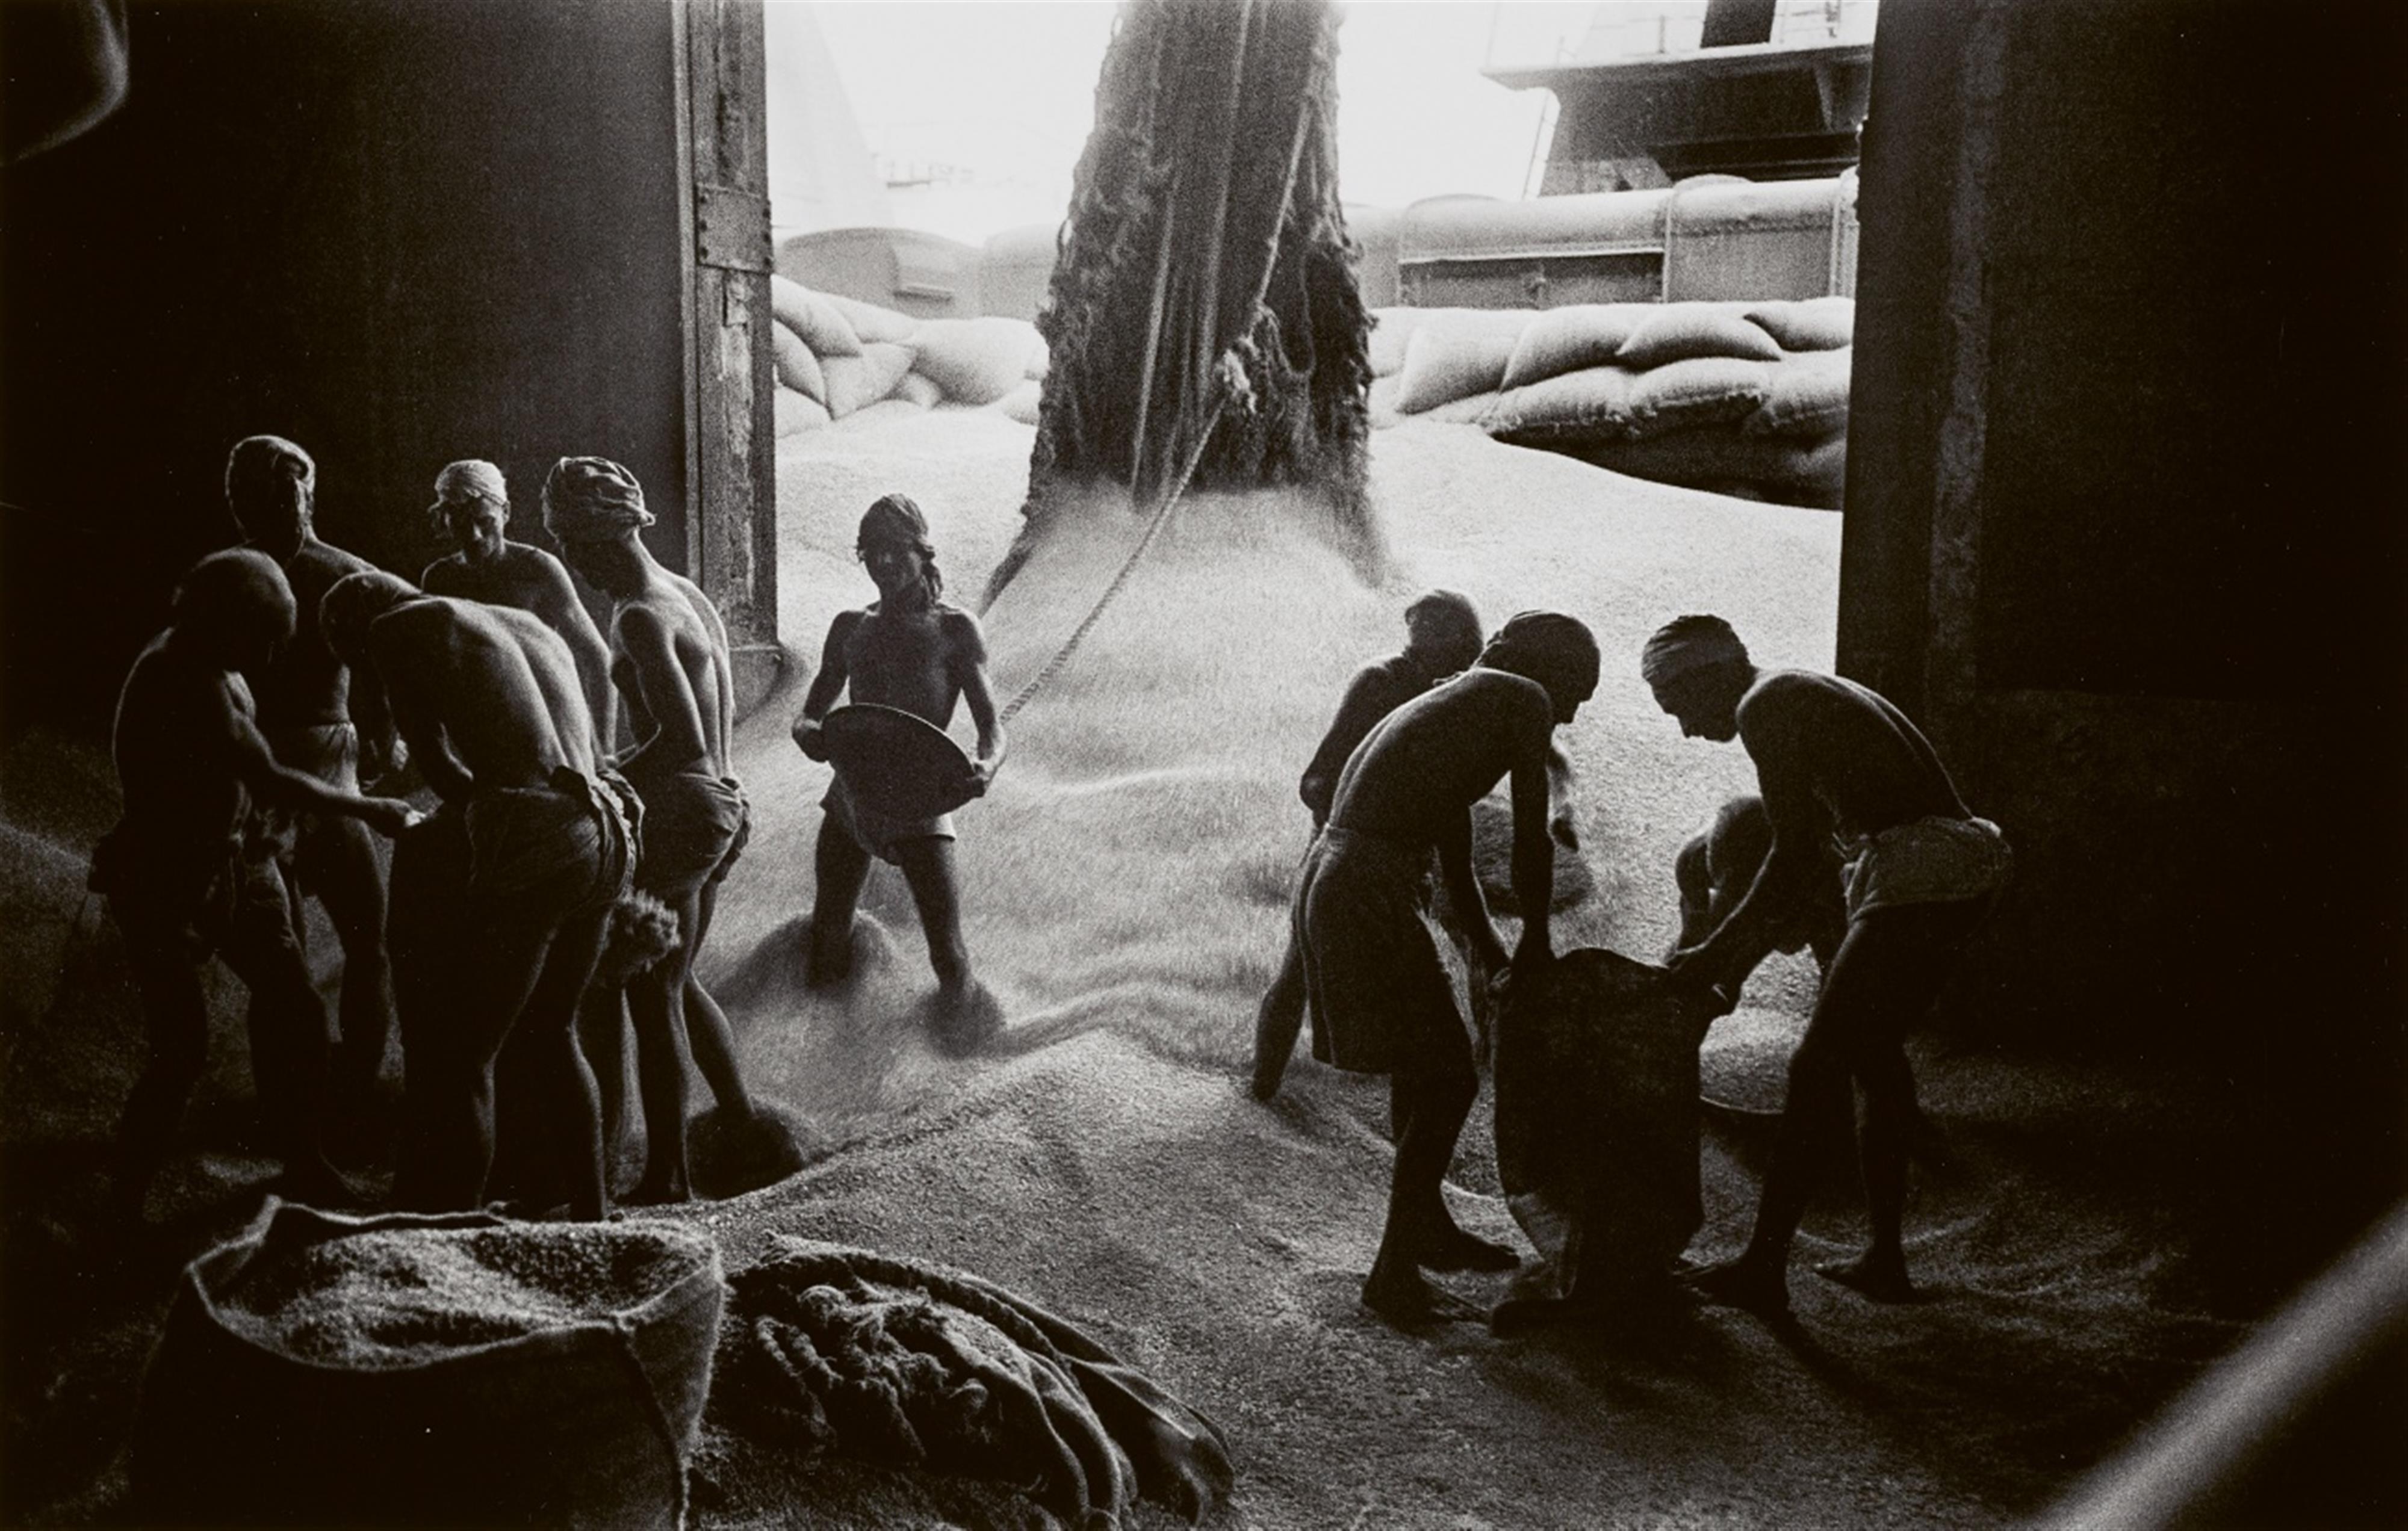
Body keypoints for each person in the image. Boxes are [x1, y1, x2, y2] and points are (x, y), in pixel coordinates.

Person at [1644, 614, 2012, 1317]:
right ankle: (1884, 1259)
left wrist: (1714, 956)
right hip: (1949, 858)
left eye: (1680, 707)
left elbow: (1791, 854)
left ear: (1709, 675)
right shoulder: (1796, 689)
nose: (1686, 731)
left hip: (1920, 865)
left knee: (1817, 1065)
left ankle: (1762, 1267)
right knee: (1873, 1057)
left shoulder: (1765, 705)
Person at [92, 550, 416, 1216]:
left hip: (239, 862)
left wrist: (258, 825)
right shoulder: (182, 675)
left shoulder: (224, 668)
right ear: (218, 619)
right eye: (263, 637)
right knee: (181, 1050)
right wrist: (369, 808)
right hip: (162, 879)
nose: (271, 657)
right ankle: (122, 1200)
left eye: (280, 639)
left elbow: (239, 780)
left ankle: (304, 1159)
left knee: (295, 1006)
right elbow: (264, 771)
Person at [1296, 610, 1599, 1322]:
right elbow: (1532, 840)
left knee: (1422, 1063)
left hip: (1337, 874)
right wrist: (1536, 943)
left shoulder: (1456, 702)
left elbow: (1454, 857)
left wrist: (1492, 954)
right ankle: (1391, 1274)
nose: (1573, 714)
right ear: (1547, 671)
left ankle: (1424, 1228)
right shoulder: (1519, 699)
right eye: (1576, 693)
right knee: (1449, 1079)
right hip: (1363, 881)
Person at [321, 570, 634, 1221]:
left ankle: (458, 1236)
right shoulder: (515, 621)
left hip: (542, 837)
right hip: (608, 825)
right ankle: (594, 1215)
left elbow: (441, 771)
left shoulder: (393, 628)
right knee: (552, 1029)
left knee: (466, 1057)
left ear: (359, 629)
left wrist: (439, 822)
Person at [543, 456, 764, 1204]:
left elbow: (681, 739)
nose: (571, 563)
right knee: (676, 982)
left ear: (598, 539)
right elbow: (709, 739)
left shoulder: (640, 613)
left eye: (571, 544)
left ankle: (663, 1174)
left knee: (645, 996)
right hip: (719, 803)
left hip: (681, 807)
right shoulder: (684, 593)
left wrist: (602, 780)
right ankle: (741, 1125)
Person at [223, 435, 399, 1116]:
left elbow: (389, 659)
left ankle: (353, 1084)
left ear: (310, 493)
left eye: (291, 488)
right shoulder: (230, 577)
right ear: (237, 499)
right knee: (282, 962)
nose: (281, 503)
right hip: (258, 772)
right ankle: (291, 1099)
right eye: (262, 492)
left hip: (332, 764)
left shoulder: (349, 576)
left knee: (368, 939)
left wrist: (388, 732)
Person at [1250, 590, 1483, 1101]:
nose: (1423, 651)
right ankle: (1260, 1088)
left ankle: (1468, 1065)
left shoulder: (1462, 690)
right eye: (1420, 637)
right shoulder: (1381, 681)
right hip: (1346, 847)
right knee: (1299, 969)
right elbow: (1315, 780)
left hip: (1412, 855)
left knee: (1445, 955)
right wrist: (1357, 826)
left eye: (1442, 639)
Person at [791, 493, 1006, 1013]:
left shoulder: (953, 629)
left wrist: (985, 768)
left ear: (922, 551)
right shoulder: (849, 626)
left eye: (894, 550)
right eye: (871, 552)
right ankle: (822, 1043)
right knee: (829, 928)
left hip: (921, 799)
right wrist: (807, 733)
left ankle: (963, 1050)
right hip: (851, 794)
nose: (883, 563)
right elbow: (810, 710)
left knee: (947, 951)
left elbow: (992, 729)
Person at [419, 458, 615, 753]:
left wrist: (604, 749)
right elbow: (430, 669)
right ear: (444, 518)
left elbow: (597, 656)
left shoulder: (537, 569)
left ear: (506, 513)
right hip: (480, 728)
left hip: (548, 720)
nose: (474, 535)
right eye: (460, 522)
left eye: (485, 522)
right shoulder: (440, 578)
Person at [1671, 794, 1846, 1009]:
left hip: (1813, 892)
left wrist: (1733, 979)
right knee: (1699, 950)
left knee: (1837, 960)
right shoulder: (1693, 863)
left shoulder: (1829, 880)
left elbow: (1844, 968)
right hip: (1762, 877)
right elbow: (1694, 944)